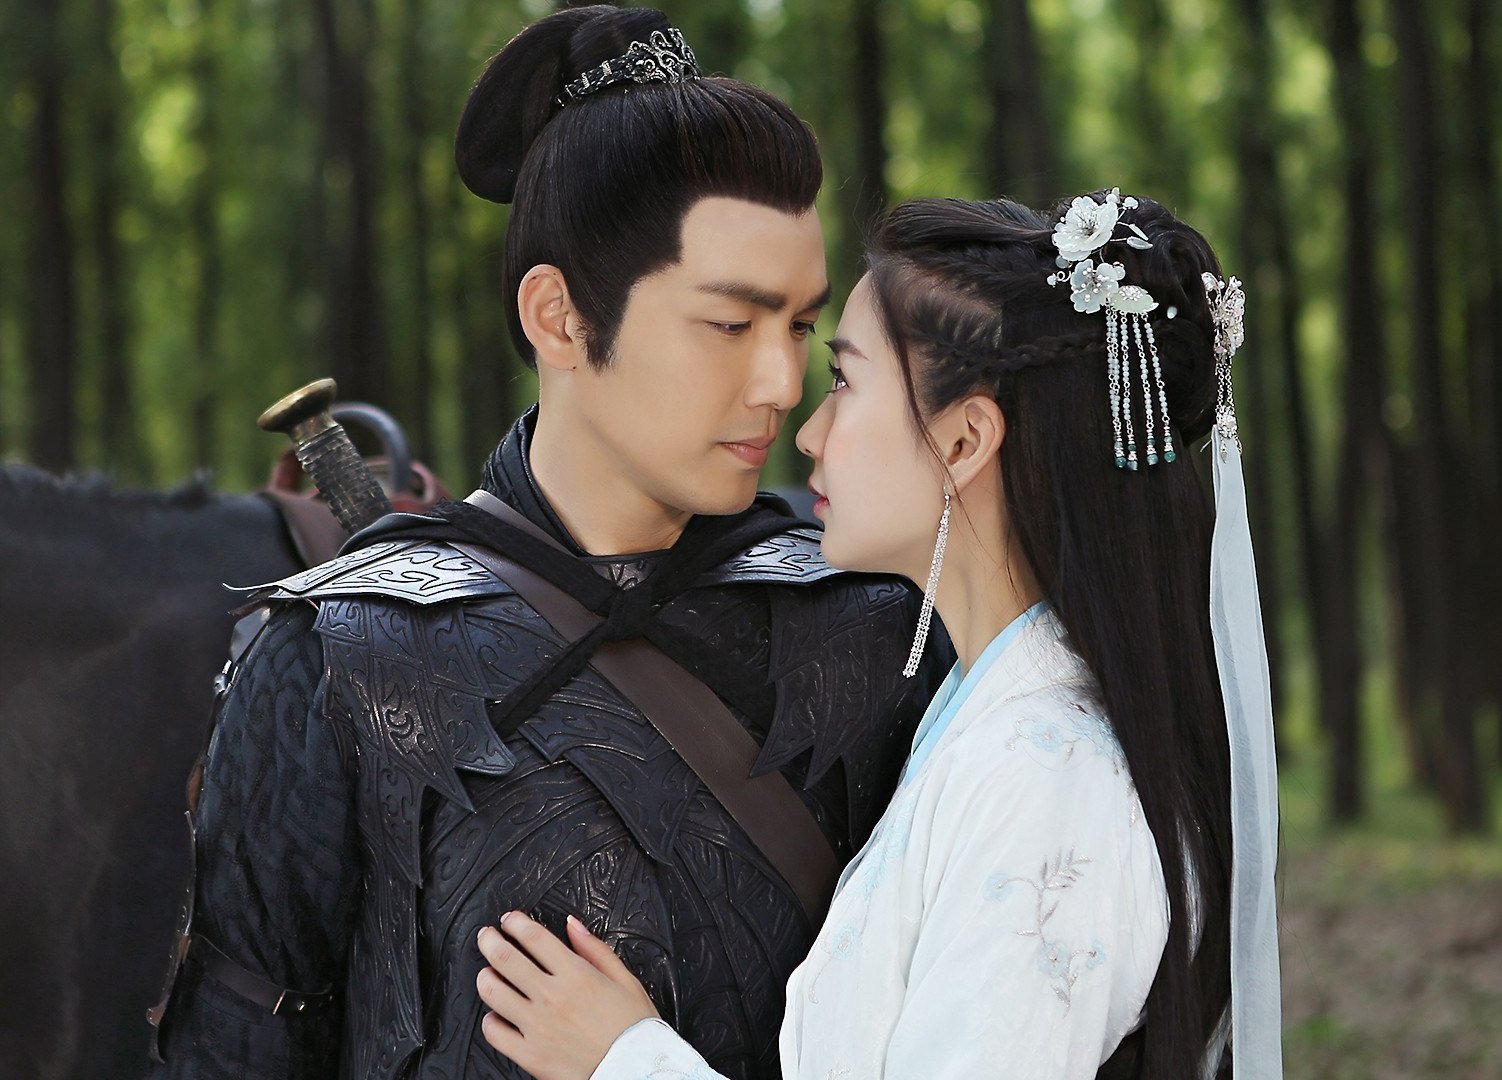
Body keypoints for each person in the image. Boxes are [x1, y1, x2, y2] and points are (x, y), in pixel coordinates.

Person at [144, 8, 943, 1079]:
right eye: (730, 323)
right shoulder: (331, 658)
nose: (780, 382)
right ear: (559, 317)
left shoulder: (878, 623)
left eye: (799, 326)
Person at [472, 192, 1285, 1079]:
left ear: (965, 441)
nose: (809, 433)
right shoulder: (996, 716)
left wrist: (623, 1060)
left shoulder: (1044, 781)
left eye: (845, 381)